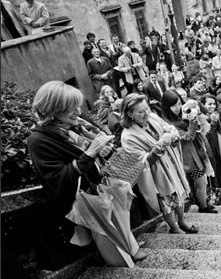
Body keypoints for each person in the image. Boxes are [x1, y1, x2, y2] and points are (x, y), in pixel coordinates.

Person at [27, 81, 145, 268]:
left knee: (115, 226)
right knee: (107, 237)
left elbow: (85, 151)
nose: (77, 111)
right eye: (70, 108)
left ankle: (130, 252)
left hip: (99, 190)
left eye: (77, 105)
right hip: (85, 201)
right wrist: (91, 152)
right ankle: (121, 270)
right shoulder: (38, 140)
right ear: (52, 110)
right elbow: (57, 179)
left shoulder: (72, 127)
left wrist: (99, 150)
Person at [120, 93, 197, 234]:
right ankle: (173, 228)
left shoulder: (152, 117)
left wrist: (173, 135)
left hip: (172, 163)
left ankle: (182, 221)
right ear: (130, 113)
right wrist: (159, 145)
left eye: (147, 108)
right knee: (167, 201)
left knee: (179, 194)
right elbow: (141, 162)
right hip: (158, 172)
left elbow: (167, 128)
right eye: (141, 111)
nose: (146, 113)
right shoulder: (128, 136)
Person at [161, 91, 218, 214]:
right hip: (188, 158)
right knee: (201, 181)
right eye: (173, 106)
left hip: (195, 154)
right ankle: (202, 206)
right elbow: (188, 137)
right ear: (167, 107)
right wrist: (192, 120)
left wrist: (194, 105)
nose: (177, 108)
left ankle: (202, 203)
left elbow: (205, 113)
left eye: (179, 104)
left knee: (201, 182)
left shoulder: (180, 115)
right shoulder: (168, 124)